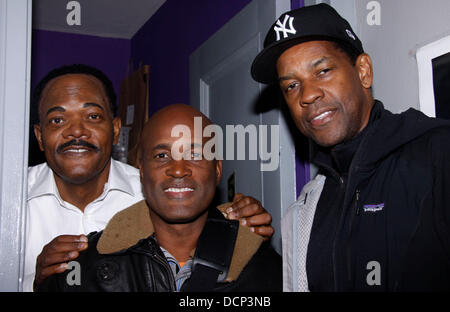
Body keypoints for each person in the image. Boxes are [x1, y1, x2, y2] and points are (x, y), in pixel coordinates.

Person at [251, 3, 450, 291]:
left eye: (322, 71)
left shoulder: (437, 156)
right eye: (291, 86)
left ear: (363, 72)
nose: (307, 95)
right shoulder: (301, 213)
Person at [25, 64, 274, 292]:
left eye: (92, 116)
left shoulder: (161, 191)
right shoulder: (9, 201)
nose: (76, 131)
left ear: (114, 129)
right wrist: (41, 284)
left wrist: (241, 227)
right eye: (58, 120)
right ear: (39, 136)